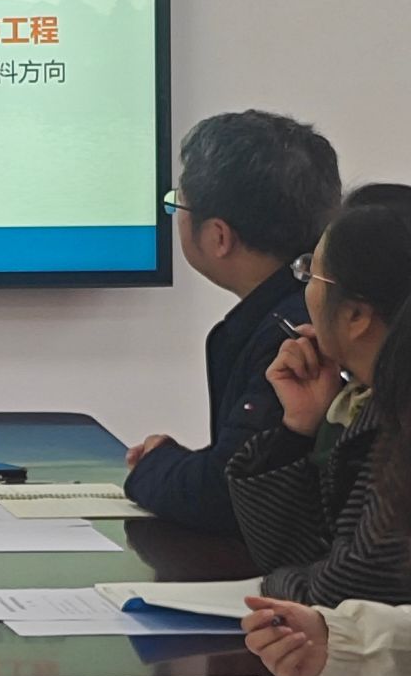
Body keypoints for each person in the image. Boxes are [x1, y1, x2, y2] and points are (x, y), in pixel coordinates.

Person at [125, 110, 340, 533]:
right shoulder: (290, 310)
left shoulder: (293, 336)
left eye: (177, 204)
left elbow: (227, 496)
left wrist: (157, 467)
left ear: (219, 237)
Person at [226, 191, 411, 605]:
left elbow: (340, 594)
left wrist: (278, 585)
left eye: (310, 273)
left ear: (356, 316)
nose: (304, 288)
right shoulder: (367, 402)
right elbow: (296, 556)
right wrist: (297, 431)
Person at [242, 312, 411, 676]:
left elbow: (342, 585)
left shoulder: (391, 414)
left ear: (356, 316)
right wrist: (300, 429)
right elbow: (286, 553)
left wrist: (289, 586)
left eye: (311, 281)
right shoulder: (358, 402)